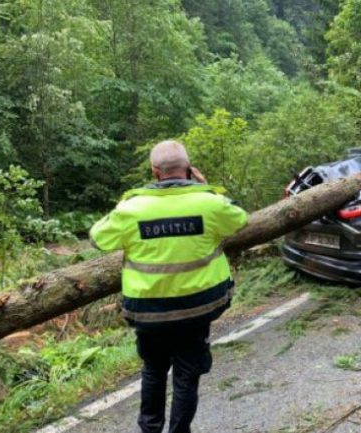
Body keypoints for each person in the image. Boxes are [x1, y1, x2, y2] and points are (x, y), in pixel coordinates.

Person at [89, 140, 248, 433]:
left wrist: (126, 211)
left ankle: (149, 429)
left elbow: (97, 238)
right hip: (198, 308)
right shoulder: (209, 202)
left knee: (154, 370)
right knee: (187, 375)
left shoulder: (131, 208)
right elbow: (239, 219)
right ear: (188, 170)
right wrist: (206, 187)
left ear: (155, 171)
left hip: (149, 313)